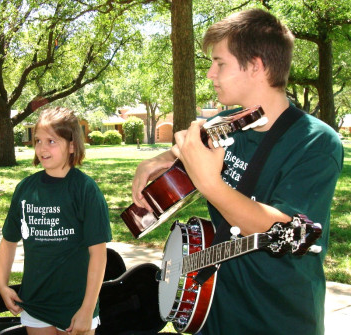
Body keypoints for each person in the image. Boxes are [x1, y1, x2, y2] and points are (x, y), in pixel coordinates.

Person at [132, 8, 343, 335]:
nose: (209, 74)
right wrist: (157, 160)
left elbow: (285, 230)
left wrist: (209, 184)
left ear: (256, 66)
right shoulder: (225, 124)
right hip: (212, 308)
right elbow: (185, 146)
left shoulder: (316, 143)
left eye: (220, 63)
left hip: (277, 317)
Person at [0, 107, 112, 335]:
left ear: (71, 145)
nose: (42, 148)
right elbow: (9, 241)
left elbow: (98, 253)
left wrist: (87, 309)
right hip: (35, 303)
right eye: (38, 140)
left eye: (51, 141)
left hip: (76, 305)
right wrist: (2, 284)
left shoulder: (85, 189)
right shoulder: (25, 189)